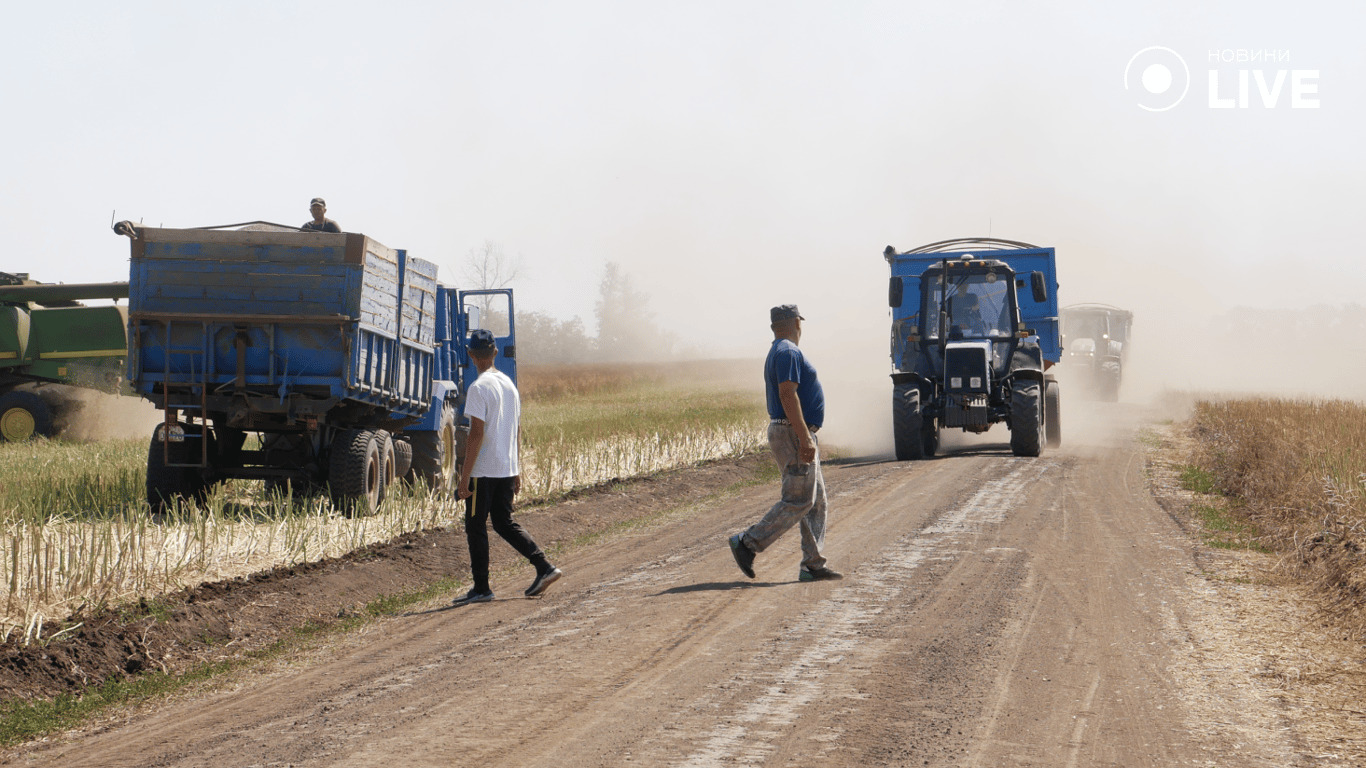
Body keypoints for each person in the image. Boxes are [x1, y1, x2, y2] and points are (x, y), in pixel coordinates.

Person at [728, 305, 843, 582]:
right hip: (791, 433)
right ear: (795, 323)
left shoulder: (779, 350)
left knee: (816, 503)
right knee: (799, 499)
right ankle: (747, 543)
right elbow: (787, 395)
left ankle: (813, 565)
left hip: (790, 431)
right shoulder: (788, 351)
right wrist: (804, 437)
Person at [453, 329, 562, 604]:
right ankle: (544, 567)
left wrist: (464, 477)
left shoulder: (478, 388)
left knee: (475, 525)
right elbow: (517, 429)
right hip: (505, 468)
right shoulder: (509, 386)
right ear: (496, 352)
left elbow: (475, 434)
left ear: (470, 355)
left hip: (483, 470)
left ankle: (481, 588)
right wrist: (518, 469)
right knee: (503, 522)